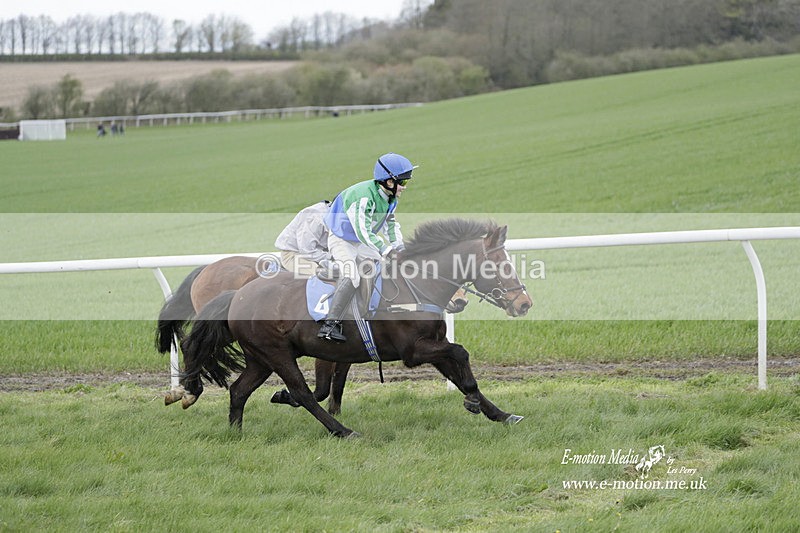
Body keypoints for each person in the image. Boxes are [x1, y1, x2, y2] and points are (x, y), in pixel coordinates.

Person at [318, 152, 415, 342]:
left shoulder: (390, 199)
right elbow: (363, 231)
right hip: (341, 239)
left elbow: (390, 225)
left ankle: (373, 312)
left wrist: (401, 248)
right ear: (389, 182)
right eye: (403, 183)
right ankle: (330, 324)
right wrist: (386, 250)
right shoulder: (363, 197)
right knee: (352, 276)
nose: (404, 187)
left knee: (386, 267)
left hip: (359, 241)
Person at [274, 200, 334, 277]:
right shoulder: (315, 217)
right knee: (324, 275)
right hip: (294, 256)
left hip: (317, 255)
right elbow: (307, 252)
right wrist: (333, 256)